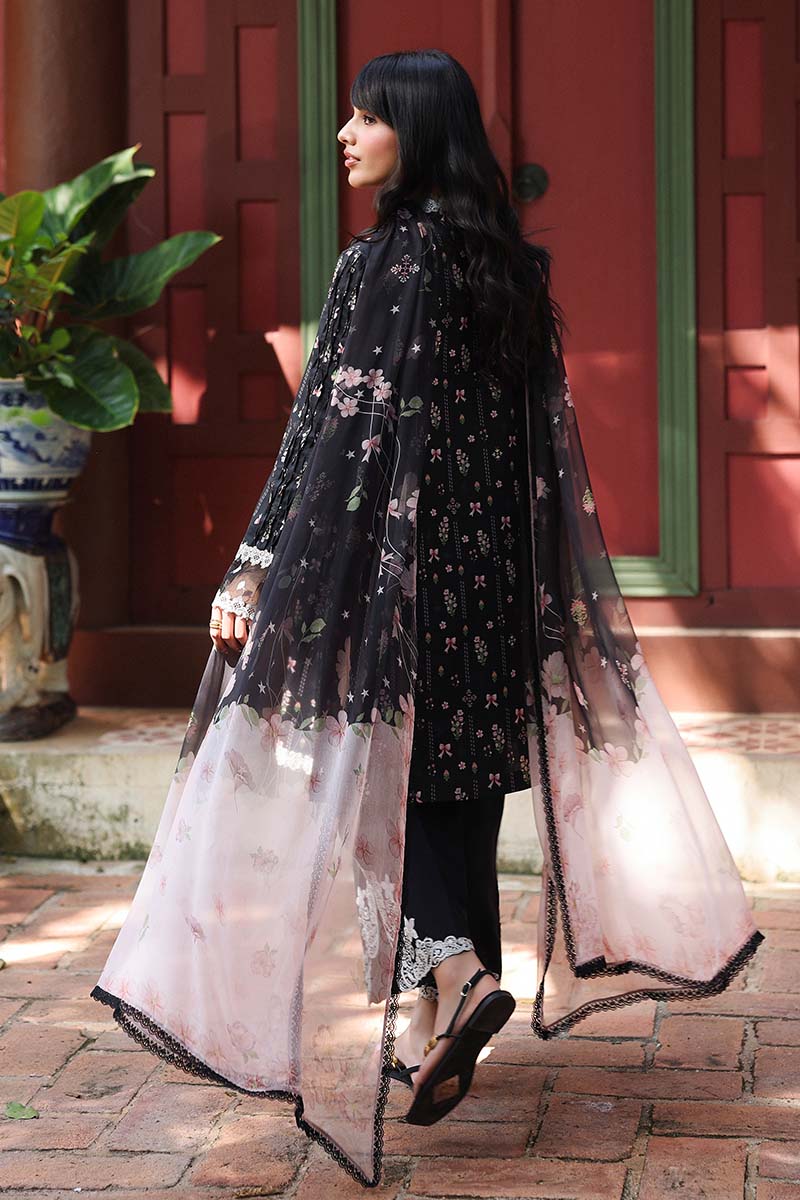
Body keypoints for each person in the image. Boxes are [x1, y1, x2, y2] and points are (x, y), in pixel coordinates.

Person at [91, 48, 763, 1188]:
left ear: (418, 131)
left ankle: (452, 972)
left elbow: (325, 428)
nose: (345, 135)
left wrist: (255, 565)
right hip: (492, 575)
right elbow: (535, 442)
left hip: (394, 571)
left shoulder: (378, 264)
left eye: (368, 117)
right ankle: (437, 1014)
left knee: (379, 784)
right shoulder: (510, 269)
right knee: (450, 783)